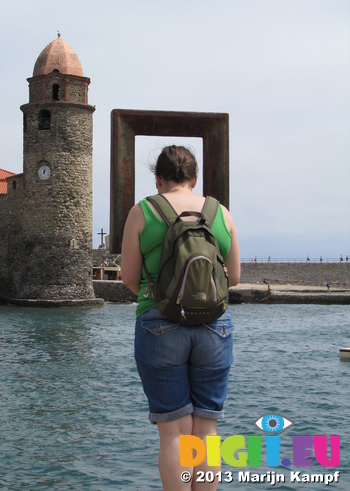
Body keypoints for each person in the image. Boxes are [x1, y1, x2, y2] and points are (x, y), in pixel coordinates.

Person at [121, 145, 240, 491]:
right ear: (195, 178)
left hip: (159, 323)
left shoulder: (143, 211)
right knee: (206, 429)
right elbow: (232, 277)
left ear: (157, 179)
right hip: (214, 326)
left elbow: (129, 277)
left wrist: (159, 296)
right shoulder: (221, 213)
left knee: (173, 432)